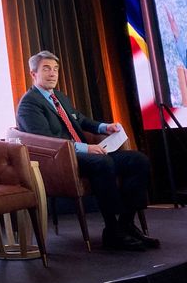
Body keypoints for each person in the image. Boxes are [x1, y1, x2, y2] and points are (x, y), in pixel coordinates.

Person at [16, 50, 159, 251]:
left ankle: (126, 223)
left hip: (83, 154)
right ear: (33, 74)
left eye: (56, 69)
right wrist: (86, 148)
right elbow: (46, 142)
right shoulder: (29, 104)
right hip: (60, 161)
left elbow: (79, 119)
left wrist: (104, 127)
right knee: (103, 162)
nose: (53, 74)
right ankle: (112, 230)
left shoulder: (58, 96)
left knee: (138, 160)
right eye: (46, 69)